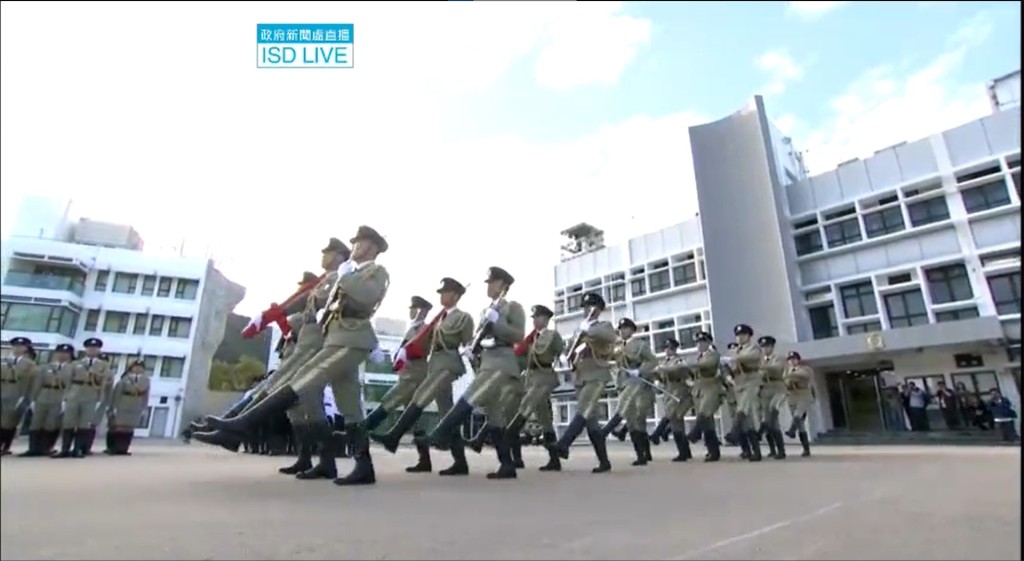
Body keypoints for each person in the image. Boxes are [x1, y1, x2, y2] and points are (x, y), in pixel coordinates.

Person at [204, 225, 390, 487]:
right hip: (336, 338)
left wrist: (346, 277)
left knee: (304, 381)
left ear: (371, 247)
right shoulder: (351, 273)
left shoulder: (376, 272)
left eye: (359, 244)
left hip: (351, 339)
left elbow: (367, 296)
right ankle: (360, 466)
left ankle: (243, 424)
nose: (355, 248)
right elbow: (326, 308)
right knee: (350, 409)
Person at [195, 241, 349, 464]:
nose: (323, 257)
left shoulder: (336, 279)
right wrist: (275, 315)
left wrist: (281, 318)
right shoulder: (324, 282)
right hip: (304, 346)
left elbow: (318, 313)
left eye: (328, 253)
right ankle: (308, 459)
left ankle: (231, 429)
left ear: (338, 257)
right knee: (300, 409)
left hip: (311, 348)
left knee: (274, 387)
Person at [416, 267, 526, 480]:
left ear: (503, 285)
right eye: (488, 282)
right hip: (486, 362)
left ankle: (440, 433)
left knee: (470, 397)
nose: (489, 286)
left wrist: (498, 322)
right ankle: (507, 465)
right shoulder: (486, 310)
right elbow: (479, 336)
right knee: (495, 418)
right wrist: (473, 348)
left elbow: (518, 336)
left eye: (492, 282)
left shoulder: (513, 307)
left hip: (502, 363)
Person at [369, 280, 475, 476]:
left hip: (448, 363)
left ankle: (394, 434)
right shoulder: (438, 319)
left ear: (455, 295)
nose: (441, 296)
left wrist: (471, 353)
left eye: (445, 292)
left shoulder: (463, 317)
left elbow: (468, 342)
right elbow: (424, 345)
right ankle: (460, 462)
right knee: (447, 415)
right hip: (434, 365)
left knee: (423, 397)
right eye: (441, 292)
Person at [360, 293, 440, 473]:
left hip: (414, 375)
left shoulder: (424, 328)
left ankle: (360, 431)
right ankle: (424, 460)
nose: (412, 312)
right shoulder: (413, 327)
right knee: (415, 419)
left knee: (389, 400)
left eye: (415, 308)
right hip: (407, 373)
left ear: (422, 310)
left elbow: (421, 349)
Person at [545, 291, 616, 474]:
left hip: (597, 376)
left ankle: (564, 444)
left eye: (591, 307)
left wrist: (589, 329)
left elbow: (610, 338)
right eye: (585, 307)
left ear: (599, 309)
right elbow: (570, 350)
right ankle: (604, 461)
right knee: (591, 422)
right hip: (580, 377)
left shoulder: (603, 326)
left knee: (583, 410)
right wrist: (564, 356)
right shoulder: (579, 329)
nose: (587, 310)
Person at [502, 304, 565, 471]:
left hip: (544, 377)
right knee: (545, 420)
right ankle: (554, 460)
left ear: (545, 319)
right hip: (531, 378)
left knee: (525, 407)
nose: (535, 320)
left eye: (537, 317)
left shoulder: (552, 335)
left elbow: (563, 353)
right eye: (534, 318)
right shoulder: (531, 339)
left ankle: (505, 438)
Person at [54, 337, 111, 459]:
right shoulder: (76, 363)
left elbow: (103, 382)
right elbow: (67, 380)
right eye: (90, 348)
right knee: (69, 422)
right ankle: (65, 449)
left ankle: (78, 449)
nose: (92, 350)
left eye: (95, 348)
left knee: (84, 424)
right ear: (85, 349)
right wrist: (66, 396)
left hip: (91, 394)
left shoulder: (103, 365)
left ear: (98, 350)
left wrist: (100, 398)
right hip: (75, 393)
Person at [19, 344, 74, 457]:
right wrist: (33, 399)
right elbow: (37, 383)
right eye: (59, 353)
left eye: (65, 353)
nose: (62, 355)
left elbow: (71, 385)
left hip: (60, 395)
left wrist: (67, 399)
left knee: (52, 423)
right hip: (43, 395)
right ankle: (33, 448)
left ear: (70, 355)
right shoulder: (45, 367)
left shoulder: (72, 368)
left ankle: (46, 447)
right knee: (36, 422)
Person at [649, 338, 694, 462]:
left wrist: (662, 369)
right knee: (676, 423)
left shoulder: (679, 361)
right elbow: (663, 377)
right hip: (669, 391)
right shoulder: (664, 362)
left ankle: (657, 434)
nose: (667, 351)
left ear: (674, 349)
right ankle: (684, 452)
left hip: (679, 391)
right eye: (666, 348)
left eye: (670, 348)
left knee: (672, 415)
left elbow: (679, 371)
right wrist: (656, 374)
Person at [726, 324, 763, 462]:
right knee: (747, 421)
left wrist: (735, 359)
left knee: (742, 408)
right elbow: (729, 366)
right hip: (739, 383)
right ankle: (756, 452)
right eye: (738, 335)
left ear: (749, 336)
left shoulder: (753, 348)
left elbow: (751, 358)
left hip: (751, 381)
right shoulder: (734, 350)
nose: (739, 338)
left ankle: (733, 433)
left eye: (742, 335)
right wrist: (728, 374)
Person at [686, 332, 724, 462]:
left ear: (708, 343)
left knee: (704, 413)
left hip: (711, 388)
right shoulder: (698, 357)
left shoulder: (713, 355)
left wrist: (688, 365)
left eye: (702, 342)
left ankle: (694, 434)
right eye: (697, 342)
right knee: (708, 423)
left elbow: (706, 365)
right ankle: (713, 452)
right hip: (699, 390)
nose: (699, 345)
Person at [104, 359, 150, 455]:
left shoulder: (145, 380)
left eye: (140, 367)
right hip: (123, 403)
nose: (138, 369)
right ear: (131, 368)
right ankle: (115, 448)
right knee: (119, 427)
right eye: (135, 367)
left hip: (136, 404)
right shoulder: (125, 379)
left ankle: (124, 448)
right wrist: (114, 406)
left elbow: (146, 394)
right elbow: (117, 393)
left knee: (129, 428)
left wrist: (144, 407)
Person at [1, 337, 37, 455]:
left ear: (26, 349)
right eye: (15, 346)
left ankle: (5, 446)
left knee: (9, 421)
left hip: (17, 393)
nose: (17, 349)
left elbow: (31, 382)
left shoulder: (30, 364)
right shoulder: (4, 361)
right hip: (3, 389)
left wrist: (28, 398)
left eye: (21, 347)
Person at [757, 335, 788, 459]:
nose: (765, 349)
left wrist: (760, 367)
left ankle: (781, 450)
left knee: (773, 415)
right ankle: (772, 450)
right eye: (763, 347)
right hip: (765, 389)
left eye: (768, 346)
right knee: (768, 420)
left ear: (772, 347)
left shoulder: (778, 358)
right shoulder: (760, 361)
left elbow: (776, 368)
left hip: (777, 387)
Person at [782, 351, 814, 457]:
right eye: (790, 359)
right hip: (792, 396)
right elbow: (784, 382)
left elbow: (804, 375)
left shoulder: (805, 369)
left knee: (797, 415)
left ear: (798, 360)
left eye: (794, 359)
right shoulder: (786, 371)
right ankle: (806, 449)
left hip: (803, 395)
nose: (792, 361)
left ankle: (791, 430)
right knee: (800, 424)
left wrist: (790, 376)